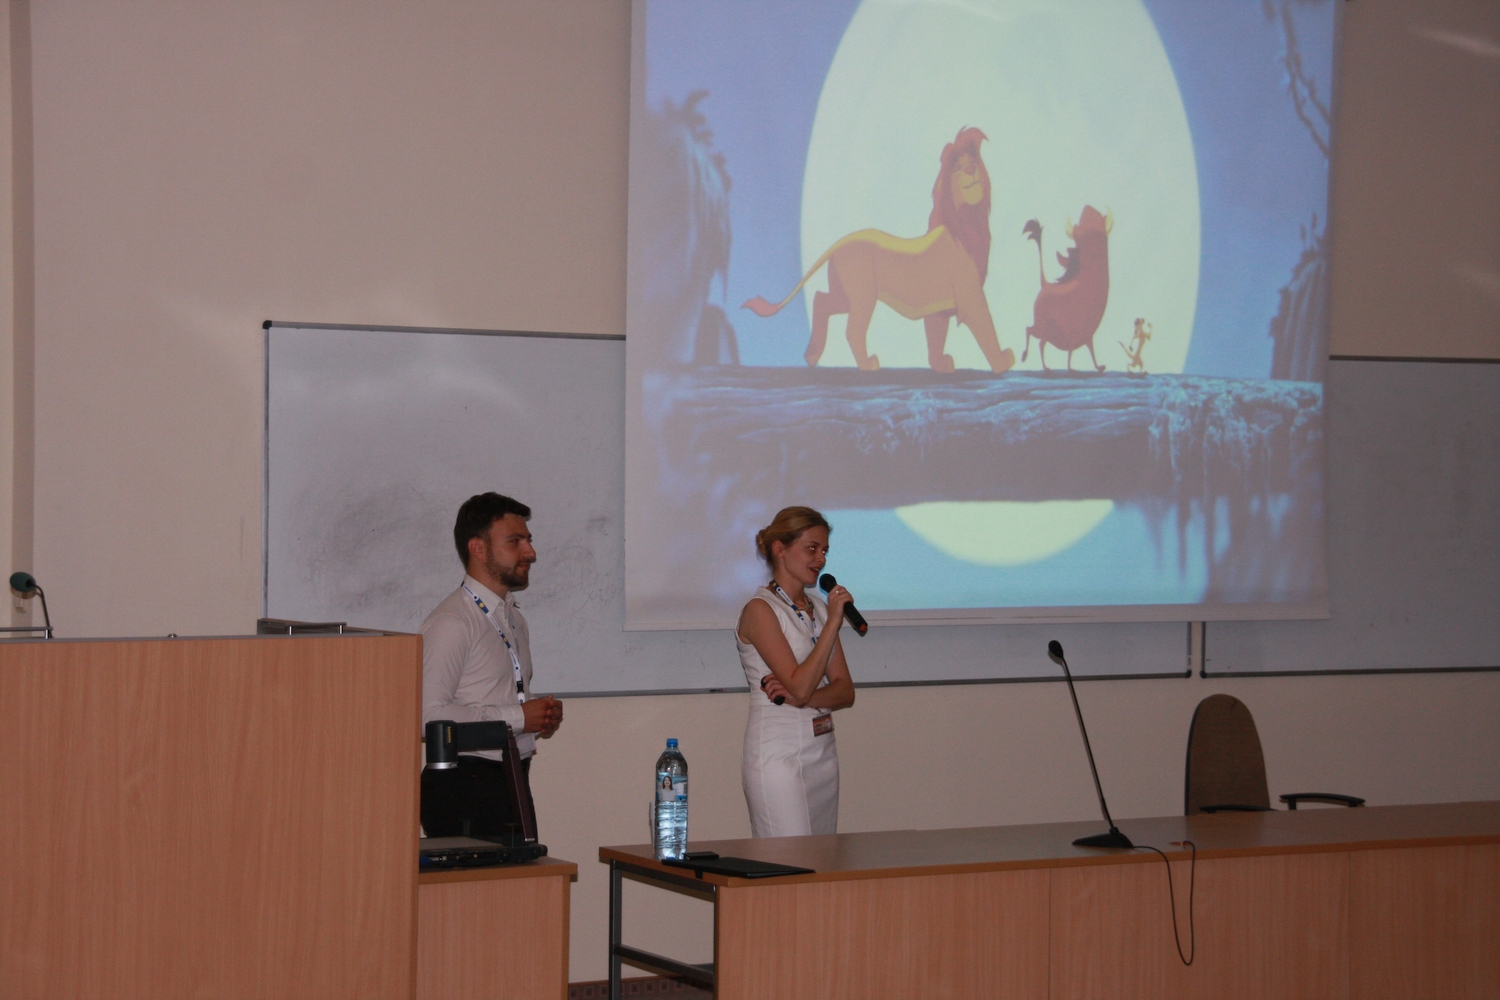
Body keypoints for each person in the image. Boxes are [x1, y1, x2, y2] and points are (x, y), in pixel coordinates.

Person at [421, 492, 563, 835]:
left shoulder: (512, 618)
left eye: (528, 540)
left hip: (512, 774)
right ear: (478, 548)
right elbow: (428, 716)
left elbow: (490, 695)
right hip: (464, 785)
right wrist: (519, 717)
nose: (530, 552)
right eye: (515, 541)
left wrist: (537, 716)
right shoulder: (452, 622)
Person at [736, 506, 856, 837]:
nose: (821, 559)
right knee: (788, 861)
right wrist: (833, 623)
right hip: (779, 755)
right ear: (780, 549)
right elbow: (800, 685)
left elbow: (844, 691)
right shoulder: (760, 610)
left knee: (822, 862)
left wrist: (804, 697)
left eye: (825, 550)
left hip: (822, 755)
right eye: (811, 548)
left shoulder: (819, 608)